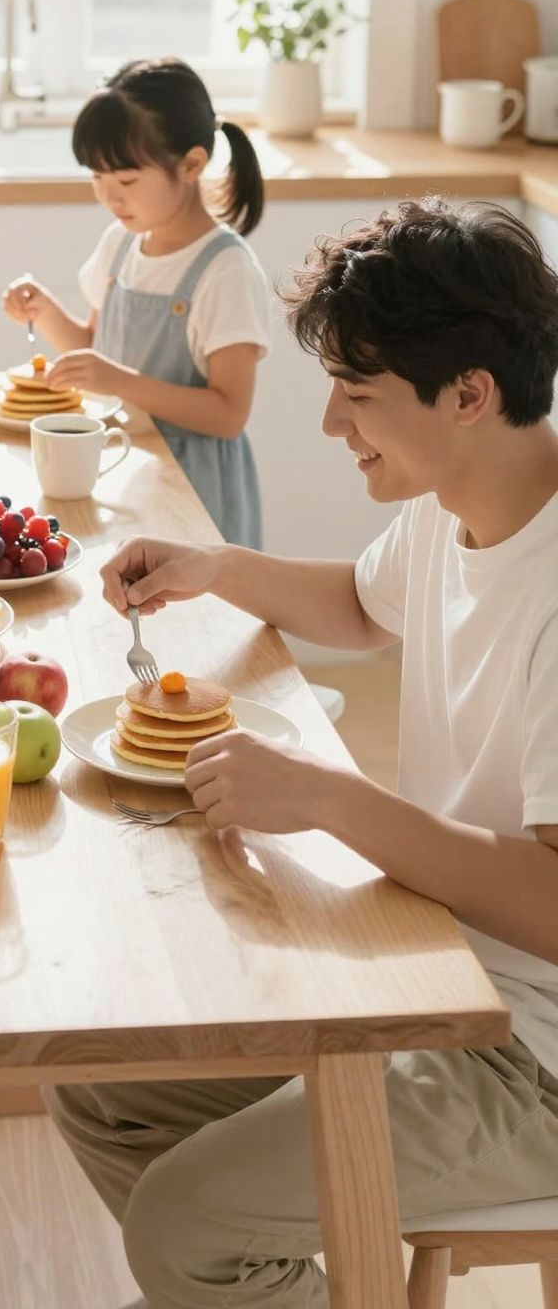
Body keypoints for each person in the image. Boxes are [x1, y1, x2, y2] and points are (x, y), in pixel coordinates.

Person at [49, 197, 558, 1309]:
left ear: (468, 394)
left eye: (359, 393)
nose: (332, 421)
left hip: (538, 1060)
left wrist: (332, 797)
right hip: (438, 969)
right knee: (104, 1084)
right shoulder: (458, 504)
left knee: (184, 1222)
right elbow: (363, 605)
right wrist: (214, 564)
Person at [3, 58, 270, 547]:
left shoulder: (225, 271)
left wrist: (118, 380)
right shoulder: (122, 244)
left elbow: (229, 413)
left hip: (195, 488)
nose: (109, 197)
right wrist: (43, 310)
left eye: (125, 182)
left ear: (191, 165)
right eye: (97, 178)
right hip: (128, 464)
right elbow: (93, 348)